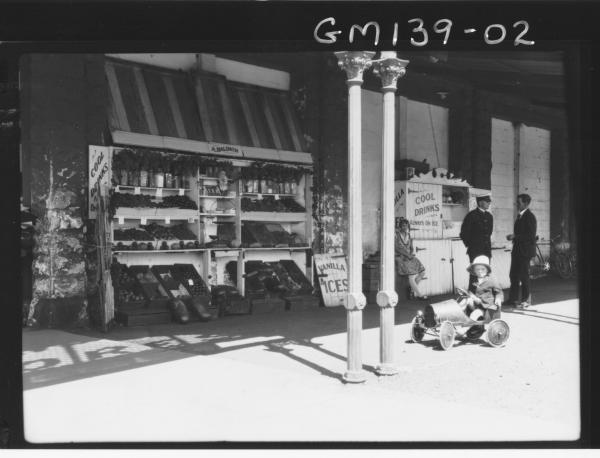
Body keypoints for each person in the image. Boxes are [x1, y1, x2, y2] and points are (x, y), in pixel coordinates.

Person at [458, 255, 503, 339]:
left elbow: (499, 291)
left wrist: (498, 298)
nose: (480, 271)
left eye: (482, 269)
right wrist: (469, 295)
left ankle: (465, 329)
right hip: (477, 303)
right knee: (466, 300)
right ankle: (457, 311)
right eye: (477, 269)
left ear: (487, 270)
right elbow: (471, 292)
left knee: (476, 313)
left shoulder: (491, 280)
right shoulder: (474, 280)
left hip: (487, 307)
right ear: (474, 271)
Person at [506, 193, 537, 309]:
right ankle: (513, 299)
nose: (516, 204)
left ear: (525, 203)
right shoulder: (520, 216)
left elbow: (531, 236)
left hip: (525, 252)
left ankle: (526, 300)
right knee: (513, 275)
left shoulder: (530, 217)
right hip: (517, 251)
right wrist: (515, 237)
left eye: (518, 202)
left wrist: (515, 237)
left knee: (524, 276)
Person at [460, 194, 493, 293]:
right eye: (487, 201)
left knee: (486, 272)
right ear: (480, 202)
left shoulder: (489, 216)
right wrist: (472, 245)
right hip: (475, 250)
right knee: (475, 273)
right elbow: (463, 233)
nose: (489, 203)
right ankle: (472, 294)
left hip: (486, 250)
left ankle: (485, 295)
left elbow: (489, 232)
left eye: (489, 201)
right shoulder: (471, 215)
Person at [395, 217, 427, 300]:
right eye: (403, 226)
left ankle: (412, 289)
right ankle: (420, 295)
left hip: (409, 256)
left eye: (406, 225)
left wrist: (411, 252)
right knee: (411, 276)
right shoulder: (396, 235)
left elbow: (411, 247)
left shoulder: (408, 235)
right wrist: (407, 255)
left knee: (422, 272)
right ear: (400, 227)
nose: (404, 227)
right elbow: (397, 248)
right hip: (400, 257)